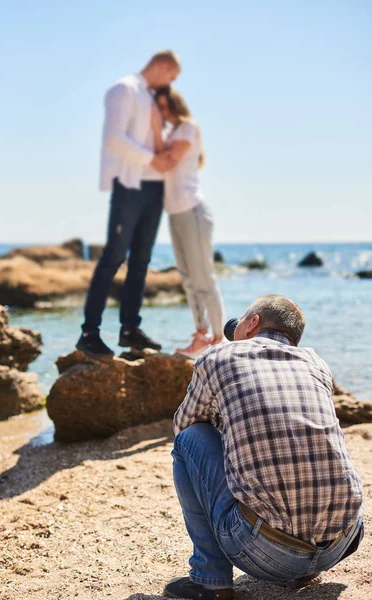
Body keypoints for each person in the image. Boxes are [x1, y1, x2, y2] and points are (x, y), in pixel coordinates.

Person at [163, 295, 364, 599]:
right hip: (342, 541)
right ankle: (307, 570)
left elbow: (184, 426)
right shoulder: (316, 363)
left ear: (253, 323)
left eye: (242, 321)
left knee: (189, 440)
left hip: (266, 553)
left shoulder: (218, 357)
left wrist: (226, 421)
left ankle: (211, 580)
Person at [77, 51, 180, 359]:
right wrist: (153, 159)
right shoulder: (124, 89)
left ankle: (129, 329)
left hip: (153, 187)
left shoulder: (149, 97)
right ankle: (89, 333)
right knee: (114, 255)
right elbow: (113, 138)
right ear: (163, 66)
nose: (170, 83)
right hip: (130, 184)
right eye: (172, 76)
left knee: (142, 261)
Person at [152, 87, 225, 358]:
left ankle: (219, 339)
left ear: (176, 105)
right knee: (187, 277)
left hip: (193, 212)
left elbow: (166, 162)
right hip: (175, 213)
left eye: (166, 107)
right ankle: (201, 335)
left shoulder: (187, 128)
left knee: (203, 276)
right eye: (160, 109)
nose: (164, 113)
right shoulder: (171, 133)